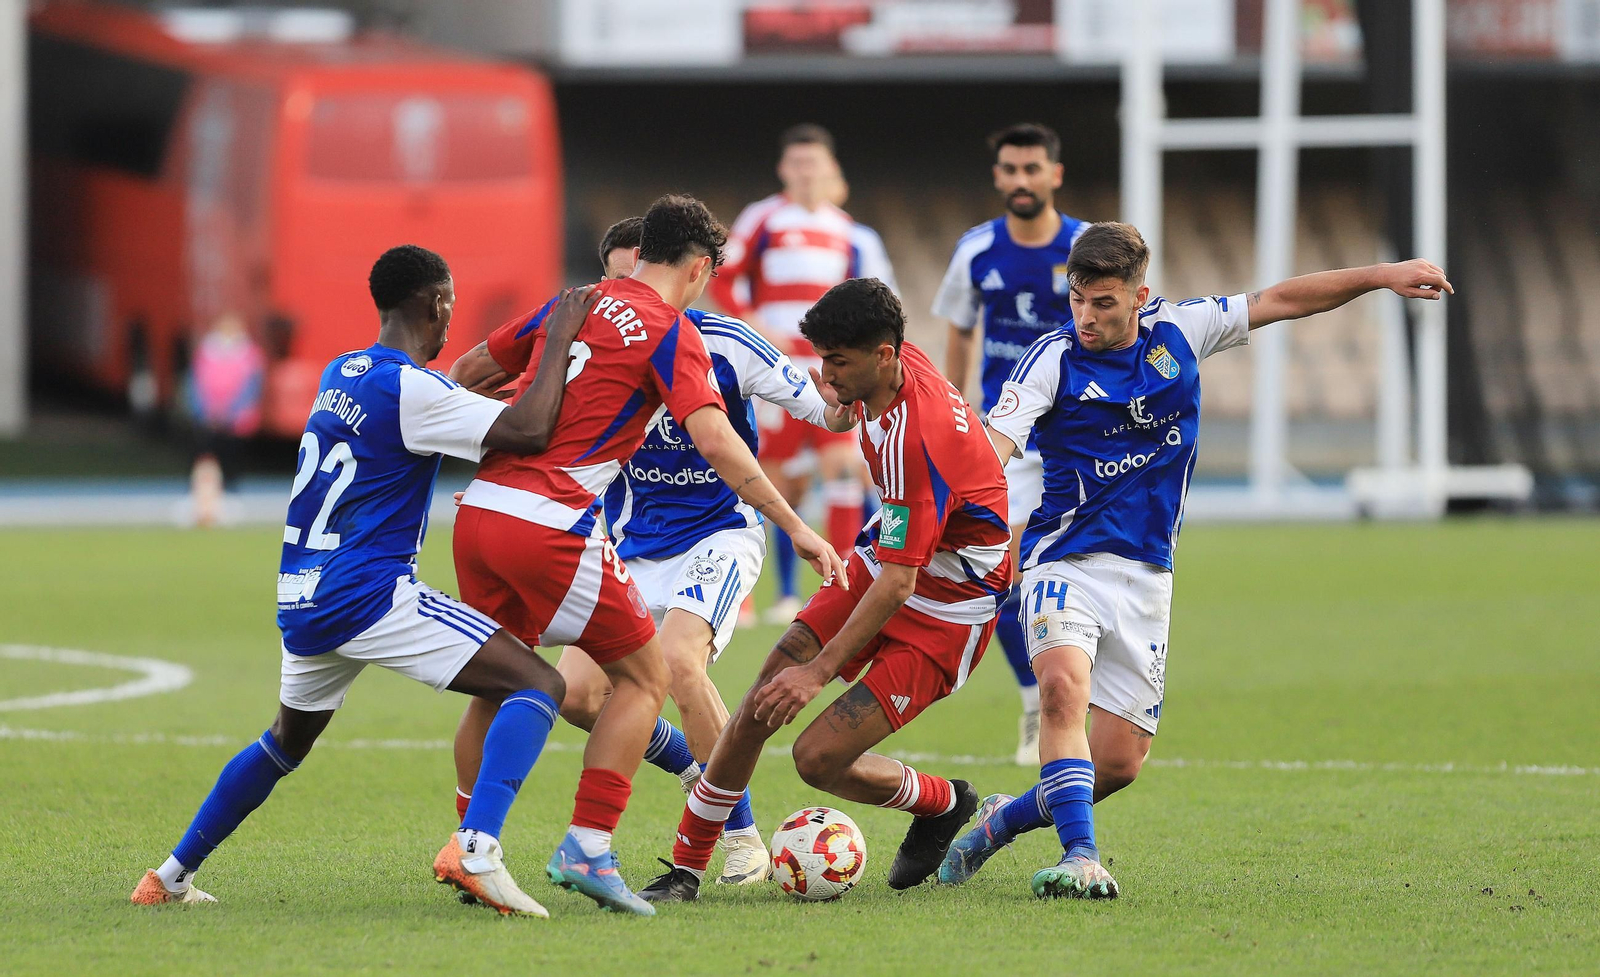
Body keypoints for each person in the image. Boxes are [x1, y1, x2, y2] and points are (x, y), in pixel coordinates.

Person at [940, 221, 1453, 899]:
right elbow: (991, 448)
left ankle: (1001, 819)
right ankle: (1081, 857)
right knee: (1063, 688)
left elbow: (1281, 300)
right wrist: (956, 516)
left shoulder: (1184, 330)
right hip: (1063, 560)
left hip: (1148, 575)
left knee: (1118, 762)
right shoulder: (1051, 359)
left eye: (1103, 303)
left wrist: (1380, 274)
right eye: (1077, 300)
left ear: (1140, 296)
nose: (1085, 317)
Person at [132, 245, 603, 919]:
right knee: (541, 682)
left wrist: (474, 397)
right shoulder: (414, 388)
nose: (452, 320)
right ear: (436, 303)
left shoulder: (343, 373)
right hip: (368, 593)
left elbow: (417, 421)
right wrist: (558, 336)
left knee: (284, 742)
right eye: (451, 305)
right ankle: (478, 850)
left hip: (304, 592)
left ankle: (170, 874)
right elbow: (530, 429)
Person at [446, 195, 845, 916]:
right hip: (598, 531)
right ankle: (624, 817)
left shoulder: (599, 313)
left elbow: (468, 371)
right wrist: (802, 528)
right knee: (581, 694)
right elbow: (716, 440)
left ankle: (738, 833)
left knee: (664, 665)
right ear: (698, 267)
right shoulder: (657, 327)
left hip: (704, 532)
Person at [639, 277, 1012, 904]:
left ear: (885, 355)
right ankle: (686, 868)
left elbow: (899, 586)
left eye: (837, 362)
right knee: (761, 699)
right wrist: (837, 394)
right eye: (823, 357)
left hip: (951, 605)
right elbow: (890, 562)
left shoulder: (916, 442)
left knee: (816, 758)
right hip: (887, 558)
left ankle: (945, 803)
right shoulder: (888, 367)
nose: (825, 374)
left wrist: (817, 672)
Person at [933, 123, 1088, 767]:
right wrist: (953, 403)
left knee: (1075, 574)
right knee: (998, 570)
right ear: (997, 177)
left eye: (1032, 168)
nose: (1020, 180)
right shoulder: (976, 251)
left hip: (1080, 437)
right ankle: (1036, 700)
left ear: (1055, 173)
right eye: (1009, 170)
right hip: (1009, 437)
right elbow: (962, 330)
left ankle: (1074, 703)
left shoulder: (1085, 247)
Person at [710, 124, 895, 624]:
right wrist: (751, 324)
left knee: (841, 465)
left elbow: (867, 293)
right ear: (784, 169)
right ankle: (745, 596)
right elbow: (725, 276)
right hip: (776, 365)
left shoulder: (845, 229)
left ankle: (838, 588)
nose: (806, 172)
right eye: (797, 164)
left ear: (829, 169)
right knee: (772, 481)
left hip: (830, 364)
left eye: (814, 163)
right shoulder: (764, 217)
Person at [187, 311, 265, 526]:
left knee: (231, 456)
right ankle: (204, 498)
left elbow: (250, 386)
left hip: (235, 419)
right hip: (209, 416)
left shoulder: (249, 354)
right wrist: (204, 410)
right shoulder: (206, 352)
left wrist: (232, 411)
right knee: (206, 456)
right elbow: (196, 383)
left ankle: (230, 494)